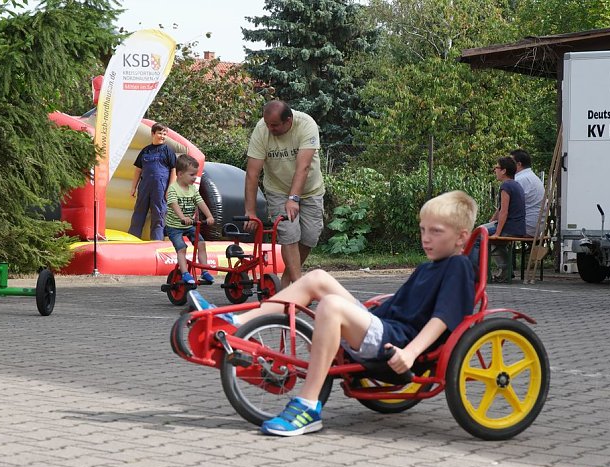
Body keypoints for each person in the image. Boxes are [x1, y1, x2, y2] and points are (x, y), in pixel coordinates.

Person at [188, 190, 478, 437]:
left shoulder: (458, 267)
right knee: (317, 278)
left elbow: (444, 317)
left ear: (461, 237)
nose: (426, 238)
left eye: (436, 232)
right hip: (381, 325)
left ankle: (308, 406)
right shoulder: (430, 266)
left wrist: (411, 354)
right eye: (423, 229)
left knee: (331, 306)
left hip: (395, 342)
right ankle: (235, 323)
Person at [244, 100, 325, 288]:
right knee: (289, 233)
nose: (270, 128)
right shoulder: (262, 129)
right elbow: (252, 173)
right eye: (267, 124)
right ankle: (298, 287)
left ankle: (287, 279)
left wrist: (294, 198)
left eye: (274, 125)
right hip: (278, 190)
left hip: (311, 190)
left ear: (288, 121)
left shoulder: (306, 125)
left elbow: (303, 167)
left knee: (310, 237)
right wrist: (250, 210)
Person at [165, 154, 216, 285]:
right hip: (174, 226)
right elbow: (174, 205)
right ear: (180, 174)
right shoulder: (173, 189)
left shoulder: (193, 189)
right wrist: (182, 217)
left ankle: (204, 271)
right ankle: (185, 273)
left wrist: (209, 216)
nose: (195, 178)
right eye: (192, 175)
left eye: (196, 175)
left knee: (201, 244)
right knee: (181, 248)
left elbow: (201, 202)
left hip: (189, 225)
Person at [129, 123, 177, 240]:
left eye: (165, 134)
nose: (162, 136)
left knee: (158, 215)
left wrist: (170, 189)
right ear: (153, 134)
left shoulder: (168, 151)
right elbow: (138, 170)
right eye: (160, 133)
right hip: (144, 187)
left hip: (160, 189)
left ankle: (156, 242)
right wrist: (133, 187)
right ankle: (132, 240)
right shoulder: (145, 151)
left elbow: (174, 171)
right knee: (138, 214)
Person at [487, 156, 526, 281]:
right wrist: (491, 221)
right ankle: (506, 271)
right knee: (487, 235)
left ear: (504, 171)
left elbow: (504, 211)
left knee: (478, 236)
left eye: (497, 168)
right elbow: (499, 209)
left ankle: (474, 271)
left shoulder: (506, 187)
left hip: (510, 227)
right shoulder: (515, 185)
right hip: (518, 226)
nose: (495, 170)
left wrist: (497, 233)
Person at [510, 149, 545, 238]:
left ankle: (495, 252)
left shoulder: (520, 180)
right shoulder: (533, 177)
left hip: (525, 226)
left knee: (482, 233)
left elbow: (507, 208)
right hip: (536, 226)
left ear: (519, 164)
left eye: (510, 162)